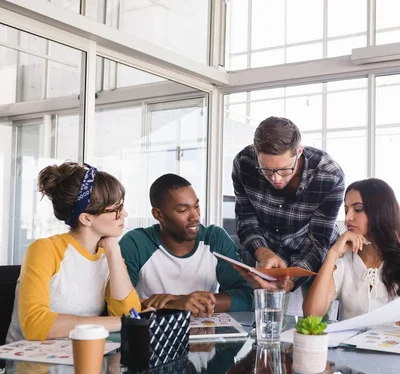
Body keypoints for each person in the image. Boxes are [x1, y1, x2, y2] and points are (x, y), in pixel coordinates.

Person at [5, 162, 141, 343]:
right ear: (86, 218)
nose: (124, 213)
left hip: (76, 358)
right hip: (28, 364)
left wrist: (113, 250)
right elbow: (35, 325)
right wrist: (118, 322)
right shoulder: (45, 250)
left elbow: (129, 313)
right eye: (115, 209)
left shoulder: (107, 255)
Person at [232, 116, 345, 293]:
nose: (275, 179)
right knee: (266, 317)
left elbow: (319, 239)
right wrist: (262, 252)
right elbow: (246, 220)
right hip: (268, 253)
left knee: (315, 319)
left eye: (284, 170)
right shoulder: (243, 164)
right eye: (266, 170)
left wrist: (291, 281)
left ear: (299, 152)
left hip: (315, 255)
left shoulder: (329, 175)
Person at [303, 178, 400, 332]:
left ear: (380, 212)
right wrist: (332, 254)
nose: (348, 217)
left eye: (357, 209)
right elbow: (311, 314)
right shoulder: (343, 261)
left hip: (397, 352)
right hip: (350, 354)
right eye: (346, 210)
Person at [119, 173, 254, 316]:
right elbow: (119, 304)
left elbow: (247, 296)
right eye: (183, 210)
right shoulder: (135, 243)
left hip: (205, 335)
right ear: (158, 215)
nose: (195, 217)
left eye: (196, 206)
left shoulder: (215, 238)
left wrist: (186, 301)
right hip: (152, 334)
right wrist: (174, 306)